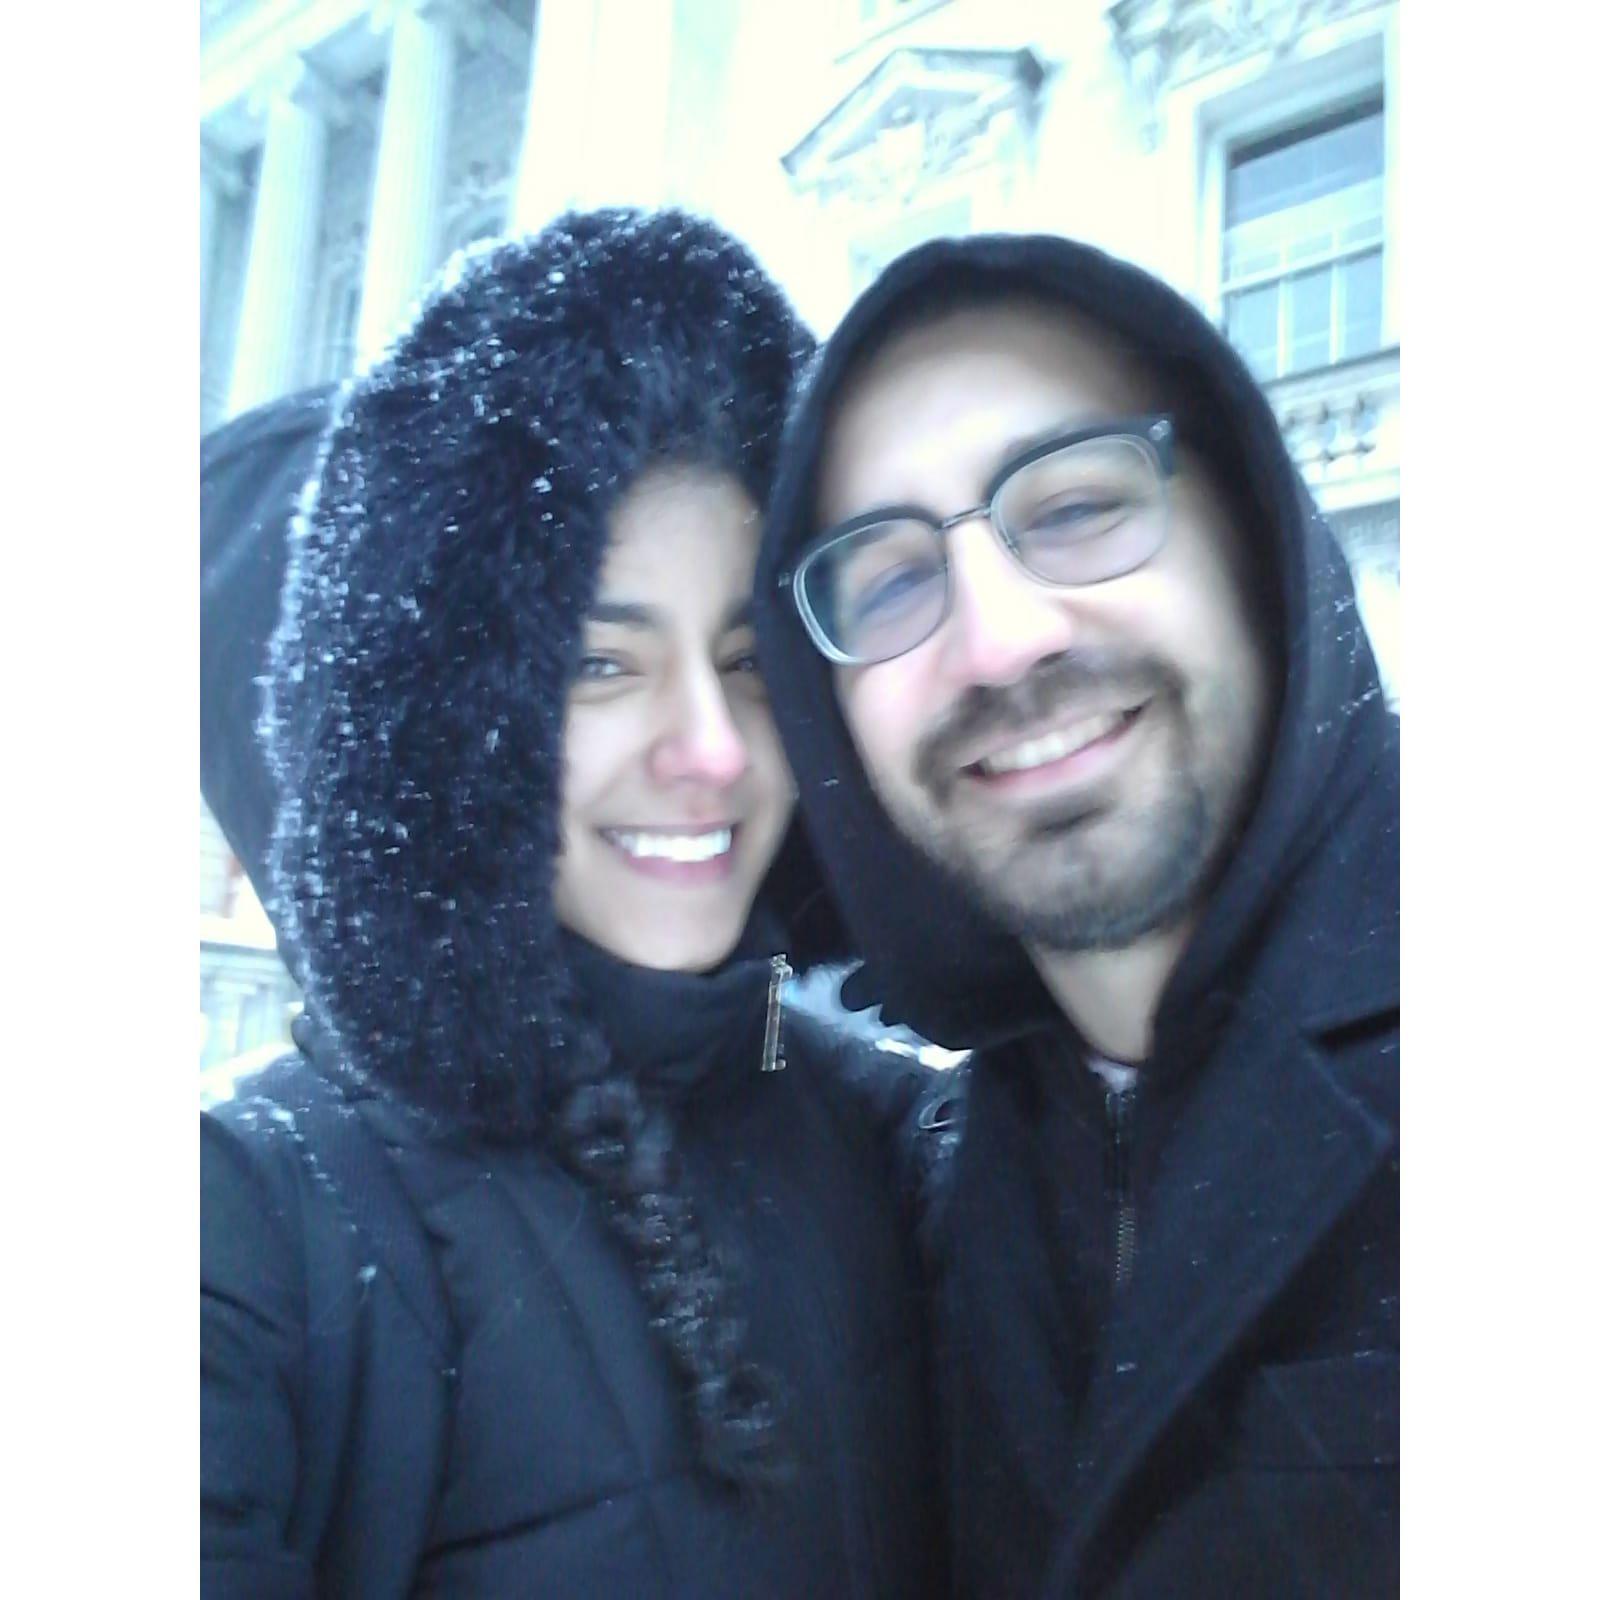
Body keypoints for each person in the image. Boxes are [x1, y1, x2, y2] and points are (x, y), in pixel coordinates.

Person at [199, 209, 943, 1599]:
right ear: (447, 717)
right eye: (601, 666)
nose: (712, 750)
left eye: (747, 661)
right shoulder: (252, 1224)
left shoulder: (883, 1131)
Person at [753, 232, 1399, 1597]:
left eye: (1078, 506)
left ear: (1251, 536)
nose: (1000, 641)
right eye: (891, 581)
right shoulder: (940, 1191)